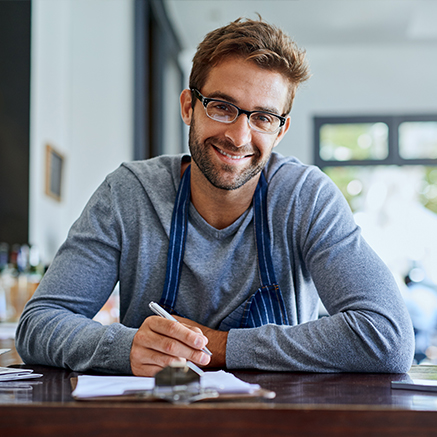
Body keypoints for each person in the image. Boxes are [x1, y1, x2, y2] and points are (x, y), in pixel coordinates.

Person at [16, 18, 414, 376]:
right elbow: (39, 323)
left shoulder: (306, 199)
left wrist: (221, 347)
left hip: (282, 420)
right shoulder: (129, 194)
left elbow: (388, 336)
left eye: (262, 117)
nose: (239, 137)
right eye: (222, 107)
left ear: (281, 130)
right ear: (189, 106)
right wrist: (126, 347)